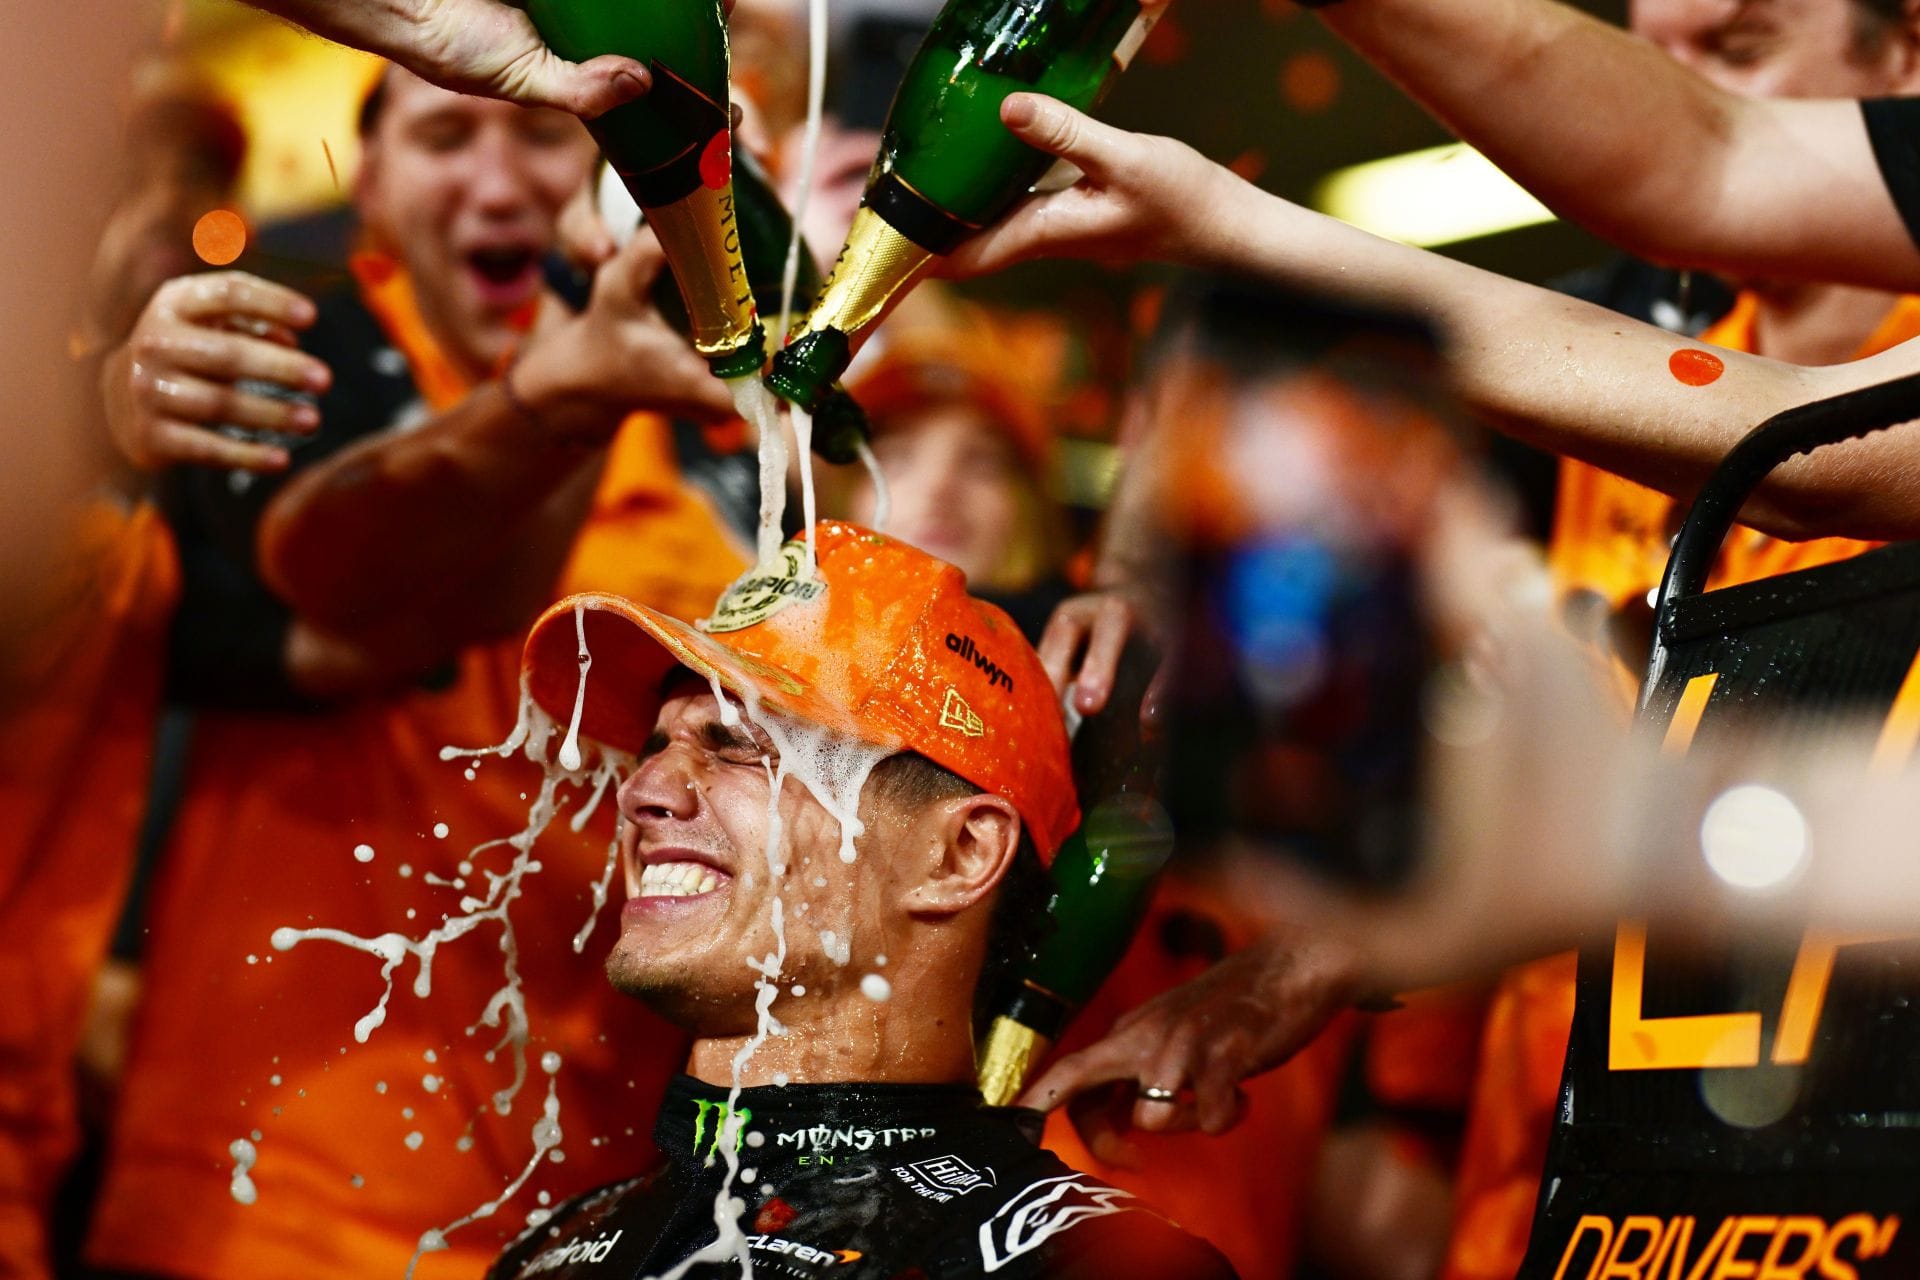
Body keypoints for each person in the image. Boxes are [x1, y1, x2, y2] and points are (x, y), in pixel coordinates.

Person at [85, 67, 743, 1280]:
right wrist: (564, 397)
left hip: (589, 1229)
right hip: (269, 1208)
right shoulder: (294, 343)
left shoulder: (701, 454)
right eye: (445, 135)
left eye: (539, 137)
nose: (497, 180)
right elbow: (351, 584)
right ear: (373, 183)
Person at [493, 519, 1238, 1279]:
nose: (642, 792)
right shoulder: (549, 1248)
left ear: (959, 854)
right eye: (654, 750)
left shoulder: (1087, 1265)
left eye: (739, 747)